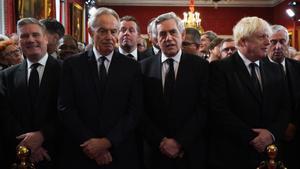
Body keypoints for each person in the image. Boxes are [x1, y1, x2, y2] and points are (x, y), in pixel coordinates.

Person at [57, 7, 142, 169]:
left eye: (113, 31)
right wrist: (92, 145)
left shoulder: (132, 67)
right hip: (81, 151)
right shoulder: (72, 65)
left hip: (120, 152)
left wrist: (107, 142)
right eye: (103, 31)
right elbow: (65, 107)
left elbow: (134, 111)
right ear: (90, 32)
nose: (109, 37)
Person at [208, 17, 290, 169]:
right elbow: (219, 110)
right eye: (262, 37)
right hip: (235, 153)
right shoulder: (220, 69)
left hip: (271, 151)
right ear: (243, 41)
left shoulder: (275, 68)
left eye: (268, 36)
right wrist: (253, 138)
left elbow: (285, 107)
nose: (268, 42)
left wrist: (271, 134)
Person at [141, 12, 209, 169]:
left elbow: (203, 108)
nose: (168, 38)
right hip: (155, 153)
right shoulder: (143, 68)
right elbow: (140, 110)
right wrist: (161, 141)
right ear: (155, 39)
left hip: (190, 152)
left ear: (182, 34)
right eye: (162, 34)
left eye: (173, 32)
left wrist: (180, 142)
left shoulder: (201, 67)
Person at [0, 17, 61, 169]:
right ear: (19, 42)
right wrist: (29, 145)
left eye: (35, 34)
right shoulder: (7, 75)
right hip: (18, 154)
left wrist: (42, 135)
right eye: (24, 36)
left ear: (46, 38)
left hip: (56, 153)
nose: (30, 39)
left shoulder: (66, 71)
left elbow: (68, 110)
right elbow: (4, 114)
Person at [264, 24, 300, 169]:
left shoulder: (297, 67)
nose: (278, 46)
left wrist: (294, 124)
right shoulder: (256, 69)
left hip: (297, 137)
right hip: (269, 138)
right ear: (266, 43)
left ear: (288, 43)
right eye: (273, 42)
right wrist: (278, 129)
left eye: (282, 41)